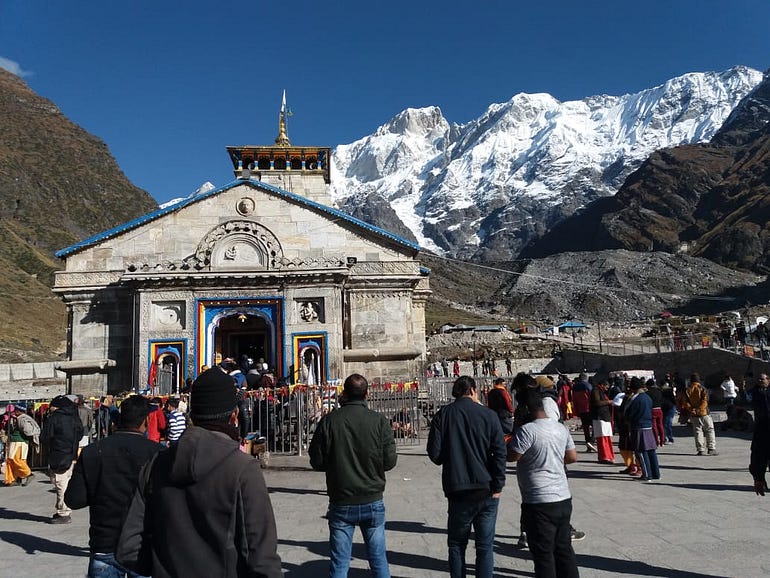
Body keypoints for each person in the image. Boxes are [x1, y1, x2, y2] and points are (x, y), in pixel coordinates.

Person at [116, 366, 282, 578]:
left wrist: (161, 566)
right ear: (234, 415)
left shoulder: (156, 464)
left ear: (192, 414)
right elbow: (263, 560)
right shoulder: (243, 469)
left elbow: (128, 548)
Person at [309, 373, 397, 578]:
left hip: (341, 499)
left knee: (339, 564)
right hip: (372, 498)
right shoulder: (379, 421)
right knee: (378, 560)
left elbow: (316, 460)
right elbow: (390, 461)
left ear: (345, 393)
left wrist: (336, 465)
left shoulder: (329, 421)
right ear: (367, 394)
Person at [65, 395, 162, 577]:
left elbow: (74, 499)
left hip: (104, 543)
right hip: (143, 545)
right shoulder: (158, 453)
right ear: (146, 421)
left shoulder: (93, 451)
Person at [427, 375, 506, 578]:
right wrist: (498, 486)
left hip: (457, 488)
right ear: (472, 390)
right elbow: (499, 453)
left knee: (456, 545)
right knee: (485, 546)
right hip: (486, 488)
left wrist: (452, 456)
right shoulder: (488, 415)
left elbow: (435, 454)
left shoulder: (443, 415)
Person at [508, 388, 579, 578]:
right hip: (563, 496)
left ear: (524, 408)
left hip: (538, 500)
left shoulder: (527, 431)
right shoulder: (560, 428)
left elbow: (512, 456)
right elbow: (572, 457)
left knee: (543, 554)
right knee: (564, 549)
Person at [41, 395, 84, 524]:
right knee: (65, 481)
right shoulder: (74, 418)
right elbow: (80, 434)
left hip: (59, 455)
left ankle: (64, 512)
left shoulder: (54, 419)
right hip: (71, 455)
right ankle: (62, 509)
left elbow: (45, 437)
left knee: (60, 483)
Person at [624, 378, 660, 482]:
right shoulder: (647, 397)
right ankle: (655, 473)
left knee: (641, 451)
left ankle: (647, 474)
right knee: (651, 451)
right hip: (648, 426)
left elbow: (629, 413)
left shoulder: (635, 399)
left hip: (639, 427)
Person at [678, 373, 718, 456]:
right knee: (709, 430)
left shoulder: (687, 390)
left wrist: (692, 409)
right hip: (704, 413)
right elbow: (705, 401)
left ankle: (700, 449)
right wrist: (699, 409)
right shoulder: (702, 389)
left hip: (694, 414)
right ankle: (711, 448)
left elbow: (685, 402)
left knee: (697, 431)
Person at [3, 403, 38, 486]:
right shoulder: (16, 418)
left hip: (20, 442)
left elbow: (28, 431)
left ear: (19, 411)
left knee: (17, 460)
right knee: (11, 461)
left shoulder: (23, 419)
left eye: (16, 410)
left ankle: (28, 474)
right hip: (14, 441)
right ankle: (14, 479)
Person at [749, 373, 770, 495]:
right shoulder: (754, 392)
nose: (760, 380)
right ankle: (759, 480)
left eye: (762, 379)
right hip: (761, 429)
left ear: (768, 380)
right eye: (759, 379)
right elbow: (746, 400)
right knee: (758, 456)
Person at [589, 379, 615, 464]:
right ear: (602, 385)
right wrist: (608, 402)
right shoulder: (596, 390)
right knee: (602, 438)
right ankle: (604, 457)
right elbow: (597, 402)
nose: (607, 389)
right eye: (606, 387)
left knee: (606, 437)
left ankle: (608, 455)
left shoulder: (601, 391)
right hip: (599, 417)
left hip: (604, 417)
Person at [572, 373, 595, 452]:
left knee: (586, 428)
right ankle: (591, 441)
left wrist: (576, 410)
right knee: (594, 426)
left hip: (581, 409)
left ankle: (588, 443)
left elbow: (574, 399)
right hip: (590, 409)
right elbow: (592, 397)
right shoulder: (589, 386)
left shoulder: (575, 387)